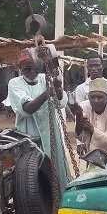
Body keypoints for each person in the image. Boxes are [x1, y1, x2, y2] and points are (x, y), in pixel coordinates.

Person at [7, 48, 70, 177]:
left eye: (34, 68)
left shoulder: (45, 78)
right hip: (29, 139)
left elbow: (61, 102)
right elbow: (27, 109)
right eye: (26, 69)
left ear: (38, 66)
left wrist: (57, 88)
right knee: (32, 179)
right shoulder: (15, 83)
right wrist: (47, 93)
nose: (31, 72)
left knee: (56, 173)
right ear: (20, 69)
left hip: (51, 137)